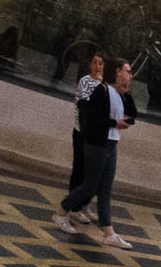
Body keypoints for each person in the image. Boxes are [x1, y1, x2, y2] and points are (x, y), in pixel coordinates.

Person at [53, 57, 135, 250]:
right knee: (90, 185)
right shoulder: (102, 90)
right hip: (97, 144)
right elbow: (94, 118)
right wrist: (115, 123)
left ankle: (109, 233)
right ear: (117, 72)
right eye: (127, 71)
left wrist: (128, 95)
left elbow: (133, 116)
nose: (130, 75)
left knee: (105, 188)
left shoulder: (122, 93)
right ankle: (62, 211)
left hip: (112, 143)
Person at [66, 51, 105, 222]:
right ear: (91, 64)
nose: (97, 66)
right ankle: (73, 207)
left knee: (95, 173)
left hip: (96, 135)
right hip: (82, 131)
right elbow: (85, 106)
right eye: (95, 63)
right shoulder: (85, 81)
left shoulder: (105, 84)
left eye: (101, 63)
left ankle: (83, 204)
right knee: (79, 169)